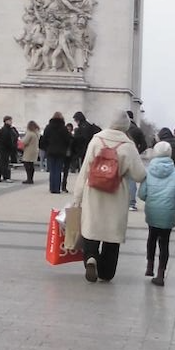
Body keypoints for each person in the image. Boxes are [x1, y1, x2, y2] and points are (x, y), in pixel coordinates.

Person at [69, 110, 147, 283]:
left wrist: (77, 196)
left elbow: (85, 170)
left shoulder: (97, 139)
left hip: (94, 190)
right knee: (112, 233)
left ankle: (91, 258)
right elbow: (139, 175)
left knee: (91, 227)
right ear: (126, 125)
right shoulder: (128, 145)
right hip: (116, 192)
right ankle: (106, 272)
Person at [138, 140, 175, 286]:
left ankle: (149, 266)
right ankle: (161, 273)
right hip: (168, 212)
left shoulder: (149, 171)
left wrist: (148, 199)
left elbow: (141, 194)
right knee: (164, 243)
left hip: (152, 211)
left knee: (151, 238)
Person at [40, 111, 70, 193]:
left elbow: (44, 139)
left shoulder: (48, 127)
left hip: (50, 151)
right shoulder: (63, 128)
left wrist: (47, 148)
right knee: (58, 170)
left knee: (52, 170)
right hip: (60, 152)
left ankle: (52, 188)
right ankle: (57, 188)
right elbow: (68, 140)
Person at [0, 115, 18, 182]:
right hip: (5, 148)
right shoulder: (5, 129)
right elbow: (5, 140)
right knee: (4, 163)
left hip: (4, 148)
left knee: (2, 163)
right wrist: (10, 146)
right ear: (6, 121)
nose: (11, 122)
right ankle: (5, 177)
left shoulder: (8, 129)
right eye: (10, 120)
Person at [19, 120, 41, 185]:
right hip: (35, 150)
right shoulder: (37, 133)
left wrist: (21, 140)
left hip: (29, 150)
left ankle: (29, 179)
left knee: (27, 164)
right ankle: (31, 178)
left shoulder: (30, 133)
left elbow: (24, 141)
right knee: (31, 165)